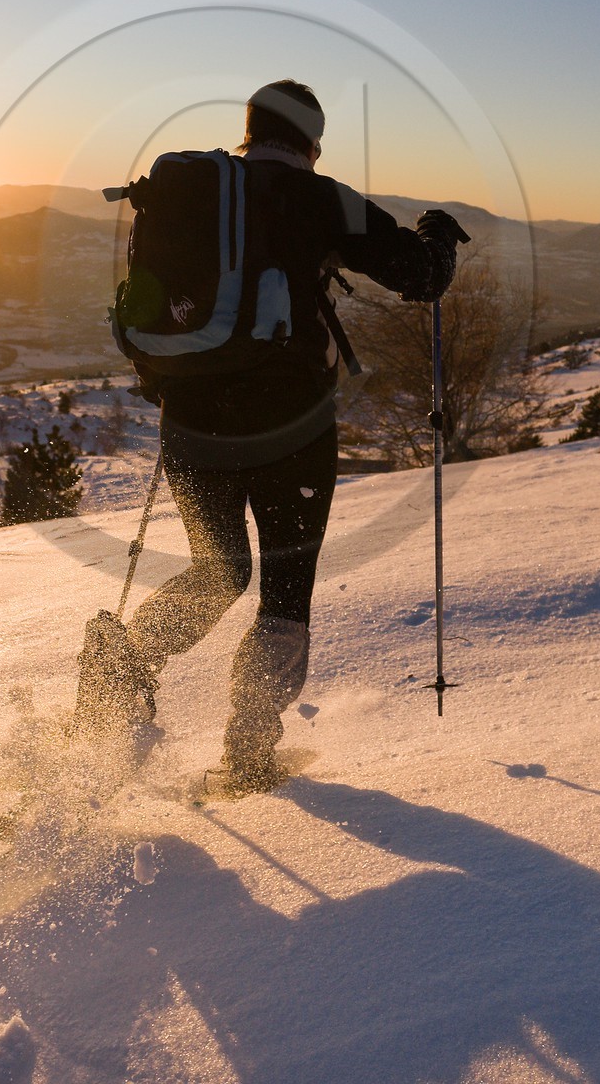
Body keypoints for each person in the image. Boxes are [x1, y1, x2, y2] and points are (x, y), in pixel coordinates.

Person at [121, 80, 468, 794]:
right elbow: (421, 278)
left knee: (217, 571)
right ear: (311, 141)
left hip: (191, 423)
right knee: (283, 589)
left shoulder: (193, 193)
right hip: (292, 431)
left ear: (249, 132)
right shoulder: (320, 199)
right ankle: (248, 753)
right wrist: (438, 232)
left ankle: (124, 664)